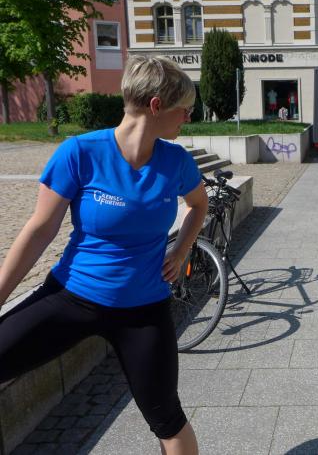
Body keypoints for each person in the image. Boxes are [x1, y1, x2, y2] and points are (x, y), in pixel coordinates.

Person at [0, 55, 208, 455]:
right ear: (156, 106)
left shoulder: (176, 162)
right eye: (185, 109)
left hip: (144, 311)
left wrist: (182, 249)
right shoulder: (80, 152)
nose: (188, 118)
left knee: (167, 417)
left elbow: (199, 204)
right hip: (72, 296)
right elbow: (39, 230)